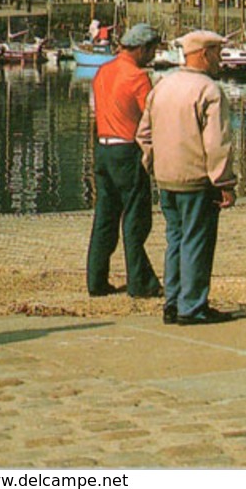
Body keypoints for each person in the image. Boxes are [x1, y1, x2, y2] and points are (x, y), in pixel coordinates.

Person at [138, 30, 237, 326]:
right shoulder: (209, 90)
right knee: (197, 241)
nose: (220, 59)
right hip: (196, 178)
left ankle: (173, 300)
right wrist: (224, 182)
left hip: (167, 178)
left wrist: (153, 164)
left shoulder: (162, 86)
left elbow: (143, 133)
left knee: (176, 240)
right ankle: (192, 306)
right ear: (204, 54)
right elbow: (217, 143)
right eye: (217, 53)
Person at [85, 23, 165, 299]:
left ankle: (96, 280)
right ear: (141, 48)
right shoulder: (138, 77)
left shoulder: (102, 72)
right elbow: (151, 117)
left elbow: (95, 111)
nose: (153, 56)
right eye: (152, 50)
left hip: (103, 149)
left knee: (105, 217)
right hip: (127, 150)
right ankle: (140, 283)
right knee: (135, 218)